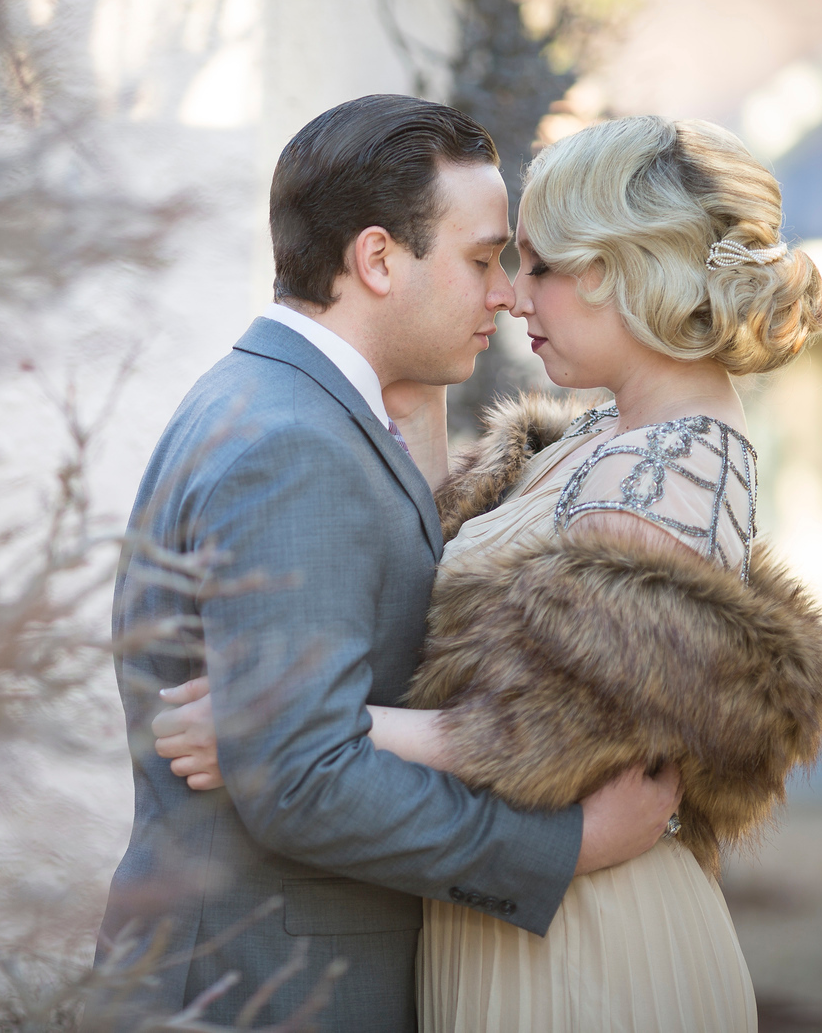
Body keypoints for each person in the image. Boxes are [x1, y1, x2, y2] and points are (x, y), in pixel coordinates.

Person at [150, 114, 822, 1031]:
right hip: (517, 918)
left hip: (585, 944)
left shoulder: (674, 468)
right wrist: (416, 363)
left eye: (538, 267)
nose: (516, 297)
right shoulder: (608, 435)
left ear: (624, 272)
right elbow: (453, 576)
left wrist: (275, 721)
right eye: (495, 263)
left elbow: (556, 737)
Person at [92, 96, 684, 1033]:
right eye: (483, 259)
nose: (504, 293)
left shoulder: (278, 400)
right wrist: (566, 842)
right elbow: (304, 779)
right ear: (377, 259)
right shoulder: (295, 446)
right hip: (262, 992)